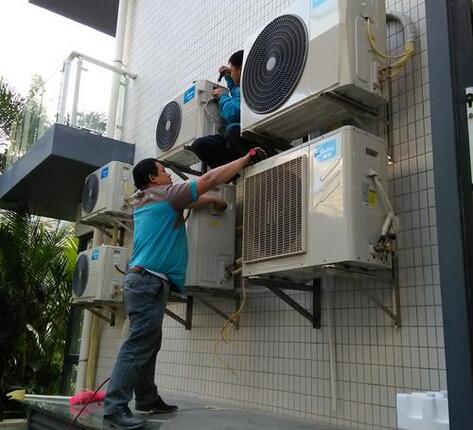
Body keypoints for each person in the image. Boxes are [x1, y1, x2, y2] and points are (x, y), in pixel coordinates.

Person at [103, 148, 265, 429]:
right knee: (139, 344)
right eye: (163, 171)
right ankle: (115, 409)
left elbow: (190, 201)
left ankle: (146, 398)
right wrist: (246, 158)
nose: (168, 174)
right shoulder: (166, 194)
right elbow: (210, 178)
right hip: (148, 281)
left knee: (149, 342)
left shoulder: (145, 198)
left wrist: (212, 200)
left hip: (143, 281)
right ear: (153, 178)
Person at [191, 50, 253, 168]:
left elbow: (233, 114)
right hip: (235, 141)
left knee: (231, 130)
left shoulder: (249, 86)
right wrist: (228, 77)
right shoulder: (241, 87)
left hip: (245, 136)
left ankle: (251, 160)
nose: (231, 73)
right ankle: (230, 173)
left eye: (232, 70)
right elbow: (236, 92)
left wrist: (222, 96)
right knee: (199, 145)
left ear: (241, 69)